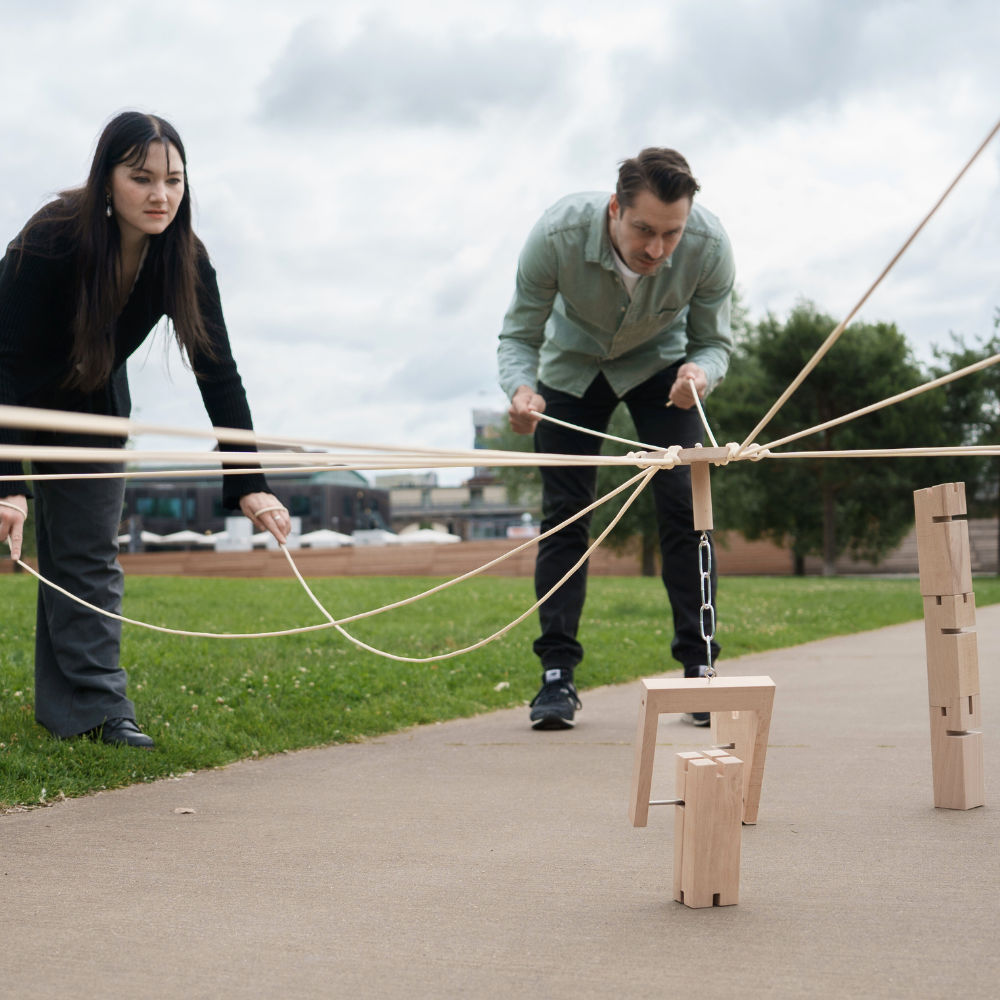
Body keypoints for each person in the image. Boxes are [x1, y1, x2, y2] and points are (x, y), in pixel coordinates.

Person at [0, 112, 288, 748]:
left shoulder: (185, 260)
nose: (161, 195)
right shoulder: (51, 237)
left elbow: (220, 373)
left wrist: (249, 481)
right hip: (10, 402)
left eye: (174, 180)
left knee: (86, 560)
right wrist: (7, 483)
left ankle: (95, 709)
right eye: (142, 178)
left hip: (94, 408)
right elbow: (1, 358)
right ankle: (77, 704)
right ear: (107, 180)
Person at [498, 147, 735, 729]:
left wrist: (699, 375)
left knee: (685, 507)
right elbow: (519, 334)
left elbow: (715, 344)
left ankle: (699, 671)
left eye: (671, 234)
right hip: (571, 370)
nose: (656, 249)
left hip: (662, 371)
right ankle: (556, 677)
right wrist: (521, 390)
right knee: (565, 513)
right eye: (644, 230)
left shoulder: (710, 247)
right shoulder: (555, 234)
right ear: (614, 208)